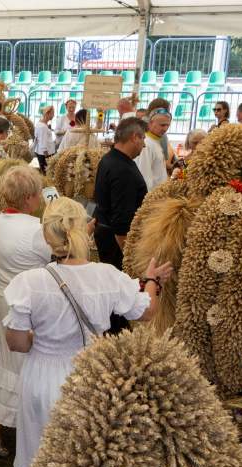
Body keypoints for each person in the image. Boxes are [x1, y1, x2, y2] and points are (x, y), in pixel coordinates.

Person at [4, 197, 172, 467]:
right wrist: (152, 281)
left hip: (41, 375)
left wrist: (38, 341)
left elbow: (16, 342)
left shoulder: (29, 282)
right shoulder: (106, 275)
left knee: (36, 456)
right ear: (86, 230)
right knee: (87, 460)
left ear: (46, 236)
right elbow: (145, 311)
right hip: (91, 374)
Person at [0, 165, 52, 458]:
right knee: (30, 363)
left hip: (3, 296)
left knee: (7, 359)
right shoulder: (36, 230)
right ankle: (26, 429)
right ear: (30, 198)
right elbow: (62, 256)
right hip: (28, 301)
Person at [93, 117, 148, 334]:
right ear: (134, 137)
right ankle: (114, 332)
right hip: (115, 240)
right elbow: (121, 222)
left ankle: (117, 327)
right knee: (117, 288)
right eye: (143, 138)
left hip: (106, 233)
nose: (144, 144)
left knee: (113, 287)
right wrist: (130, 258)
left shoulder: (112, 159)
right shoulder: (122, 169)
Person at [134, 110, 171, 191]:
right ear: (151, 123)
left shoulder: (155, 141)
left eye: (167, 125)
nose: (165, 129)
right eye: (162, 125)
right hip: (151, 198)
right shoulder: (146, 143)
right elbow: (144, 177)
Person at [33, 105, 56, 174]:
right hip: (45, 154)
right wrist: (47, 157)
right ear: (47, 114)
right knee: (46, 173)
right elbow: (43, 144)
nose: (53, 116)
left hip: (41, 153)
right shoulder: (43, 127)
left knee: (44, 172)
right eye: (52, 114)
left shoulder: (40, 123)